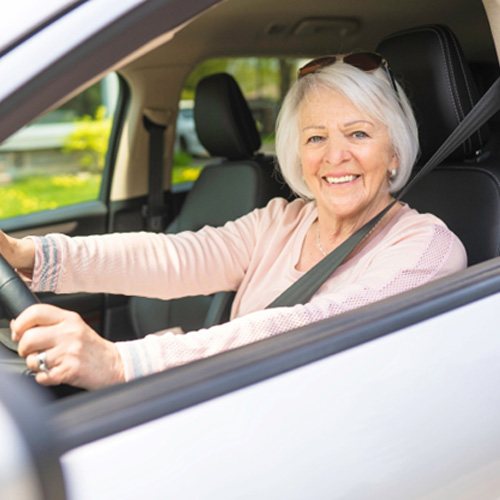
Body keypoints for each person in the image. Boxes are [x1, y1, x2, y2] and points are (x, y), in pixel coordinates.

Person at [1, 53, 467, 390]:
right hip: (240, 405)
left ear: (394, 152)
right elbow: (177, 256)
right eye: (316, 137)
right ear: (297, 153)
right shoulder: (281, 221)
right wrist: (36, 256)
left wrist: (123, 361)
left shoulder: (426, 247)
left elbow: (310, 327)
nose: (335, 155)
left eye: (359, 133)